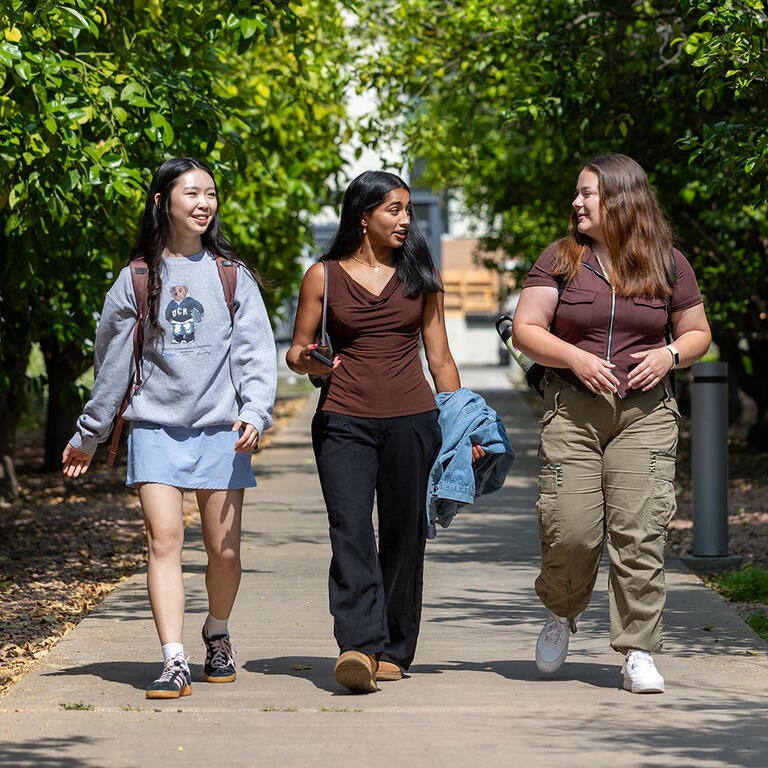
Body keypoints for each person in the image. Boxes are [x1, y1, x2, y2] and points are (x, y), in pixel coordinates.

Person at [62, 157, 277, 699]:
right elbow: (112, 365)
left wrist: (255, 411)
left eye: (210, 193)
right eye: (192, 193)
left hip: (221, 431)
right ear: (163, 202)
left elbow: (256, 354)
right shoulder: (136, 279)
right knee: (164, 540)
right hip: (155, 426)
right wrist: (90, 433)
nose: (204, 203)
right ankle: (174, 659)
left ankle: (218, 633)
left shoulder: (233, 275)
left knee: (224, 550)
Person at [512, 153, 711, 694]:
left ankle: (638, 650)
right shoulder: (561, 259)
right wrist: (573, 359)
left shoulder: (667, 263)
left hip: (646, 416)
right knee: (571, 529)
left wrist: (669, 355)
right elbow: (526, 329)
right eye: (577, 194)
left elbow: (697, 332)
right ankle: (561, 612)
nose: (576, 203)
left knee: (640, 533)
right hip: (573, 411)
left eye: (587, 194)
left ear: (621, 200)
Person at [286, 170, 483, 693]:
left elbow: (439, 358)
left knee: (403, 535)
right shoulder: (322, 277)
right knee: (349, 530)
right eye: (392, 210)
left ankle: (395, 648)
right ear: (363, 215)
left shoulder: (420, 274)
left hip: (412, 421)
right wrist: (310, 362)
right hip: (343, 421)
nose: (404, 220)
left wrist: (463, 428)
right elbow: (296, 350)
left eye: (407, 211)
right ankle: (358, 645)